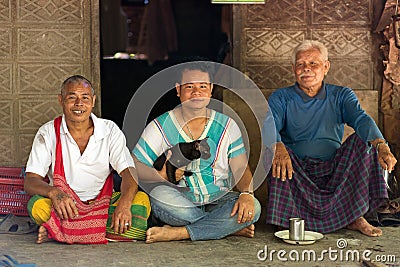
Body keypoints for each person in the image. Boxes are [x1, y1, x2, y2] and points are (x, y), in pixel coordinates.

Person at [262, 40, 397, 237]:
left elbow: (361, 119)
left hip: (334, 168)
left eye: (313, 64)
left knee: (363, 143)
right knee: (272, 152)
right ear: (293, 69)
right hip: (297, 169)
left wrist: (381, 145)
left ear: (326, 67)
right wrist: (277, 145)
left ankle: (355, 216)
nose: (306, 69)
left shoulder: (341, 95)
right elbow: (269, 123)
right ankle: (289, 220)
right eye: (300, 64)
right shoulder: (281, 97)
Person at [132, 59, 261, 243]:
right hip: (179, 201)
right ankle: (224, 228)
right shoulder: (161, 125)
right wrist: (159, 176)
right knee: (159, 198)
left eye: (202, 86)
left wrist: (247, 194)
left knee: (253, 207)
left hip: (219, 199)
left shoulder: (227, 126)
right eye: (189, 87)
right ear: (178, 90)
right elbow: (135, 164)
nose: (196, 92)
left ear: (210, 89)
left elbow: (240, 168)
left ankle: (180, 232)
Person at [24, 75, 150, 244]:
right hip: (66, 207)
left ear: (93, 100)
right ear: (61, 100)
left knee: (141, 201)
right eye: (71, 98)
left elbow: (129, 172)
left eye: (85, 97)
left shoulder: (109, 130)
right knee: (36, 206)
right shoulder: (48, 132)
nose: (79, 104)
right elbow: (30, 181)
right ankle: (101, 232)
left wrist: (125, 205)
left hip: (103, 204)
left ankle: (60, 230)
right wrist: (54, 193)